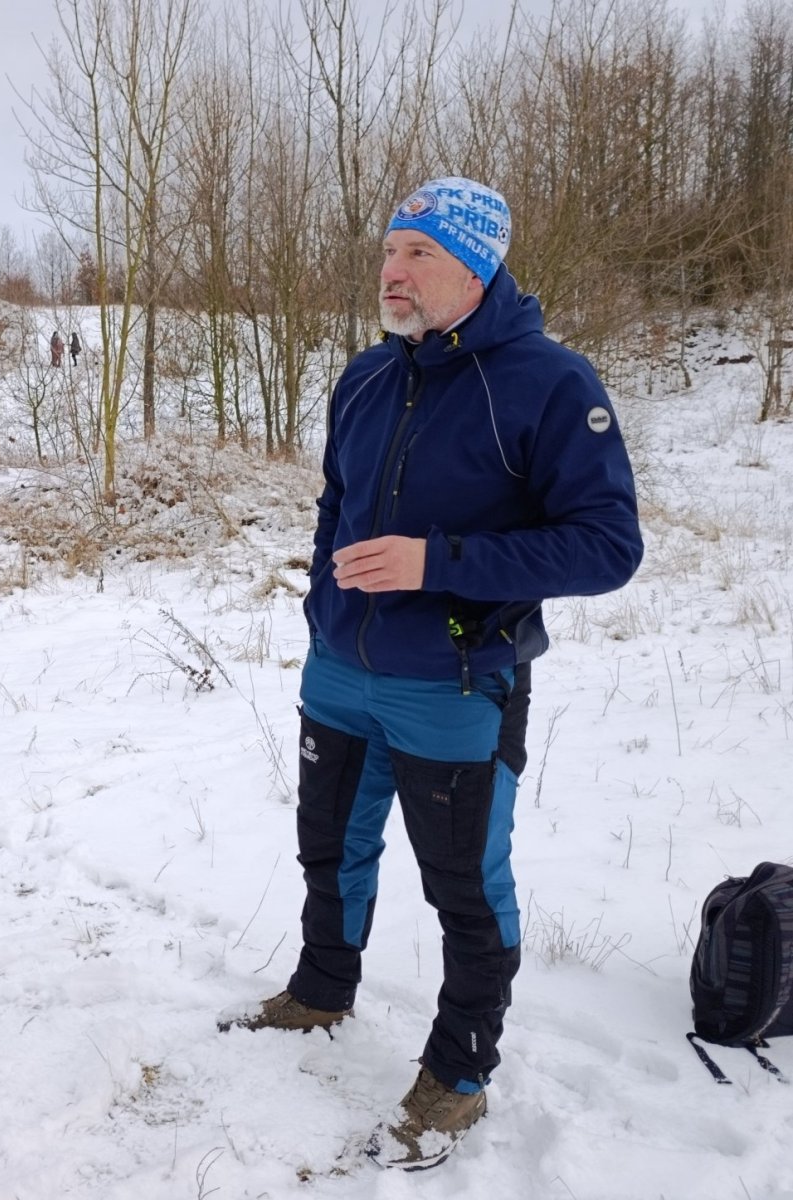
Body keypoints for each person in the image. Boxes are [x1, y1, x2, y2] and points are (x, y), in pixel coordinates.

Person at [218, 178, 642, 1169]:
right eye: (388, 249)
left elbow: (607, 546)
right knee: (329, 849)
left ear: (477, 269)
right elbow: (337, 502)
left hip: (454, 685)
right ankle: (320, 991)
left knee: (465, 888)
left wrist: (434, 562)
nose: (392, 270)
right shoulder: (366, 376)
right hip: (340, 670)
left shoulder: (550, 382)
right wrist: (325, 611)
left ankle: (457, 1075)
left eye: (419, 253)